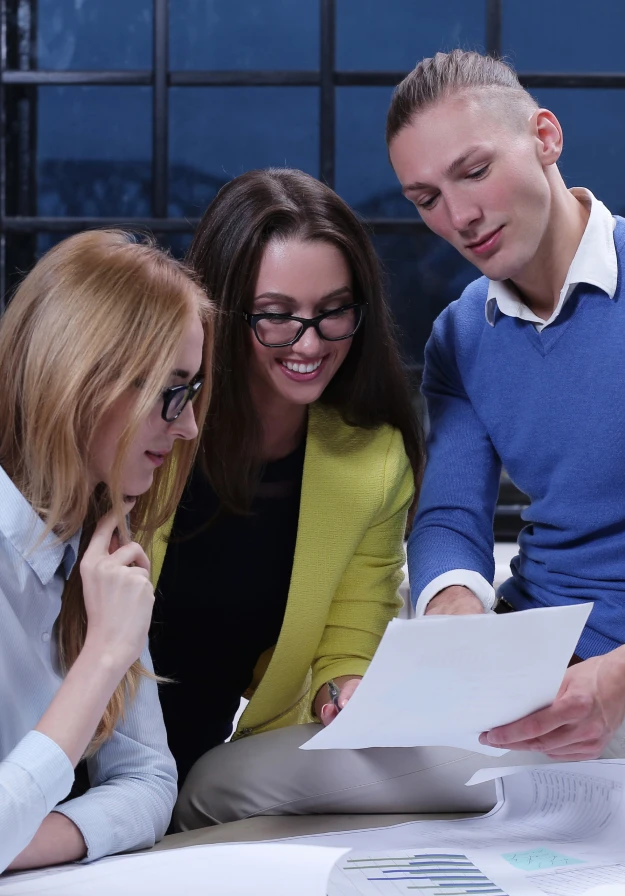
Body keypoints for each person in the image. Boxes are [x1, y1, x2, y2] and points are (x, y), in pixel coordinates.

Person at [386, 50, 625, 762]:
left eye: (475, 171)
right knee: (233, 785)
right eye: (426, 198)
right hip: (500, 663)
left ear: (545, 137)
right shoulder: (462, 334)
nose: (460, 216)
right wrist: (453, 609)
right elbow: (448, 518)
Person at [148, 168, 425, 827]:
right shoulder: (150, 428)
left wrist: (345, 692)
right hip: (62, 753)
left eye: (334, 311)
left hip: (193, 787)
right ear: (219, 311)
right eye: (276, 316)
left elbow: (350, 639)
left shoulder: (373, 461)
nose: (310, 342)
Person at [0, 230, 213, 873]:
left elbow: (149, 781)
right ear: (82, 380)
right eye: (172, 391)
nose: (188, 425)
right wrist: (104, 655)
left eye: (192, 392)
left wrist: (22, 840)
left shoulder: (95, 546)